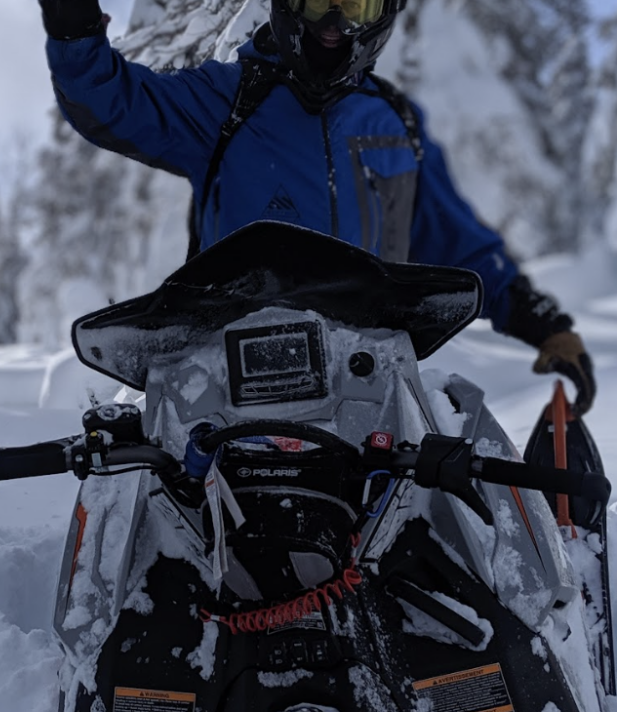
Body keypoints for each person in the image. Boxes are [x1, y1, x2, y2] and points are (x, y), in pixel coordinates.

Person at [37, 0, 596, 415]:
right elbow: (115, 102)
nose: (332, 24)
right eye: (315, 0)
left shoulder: (391, 125)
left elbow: (458, 241)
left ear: (384, 15)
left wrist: (541, 323)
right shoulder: (229, 102)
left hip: (369, 381)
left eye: (355, 5)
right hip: (232, 379)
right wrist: (75, 29)